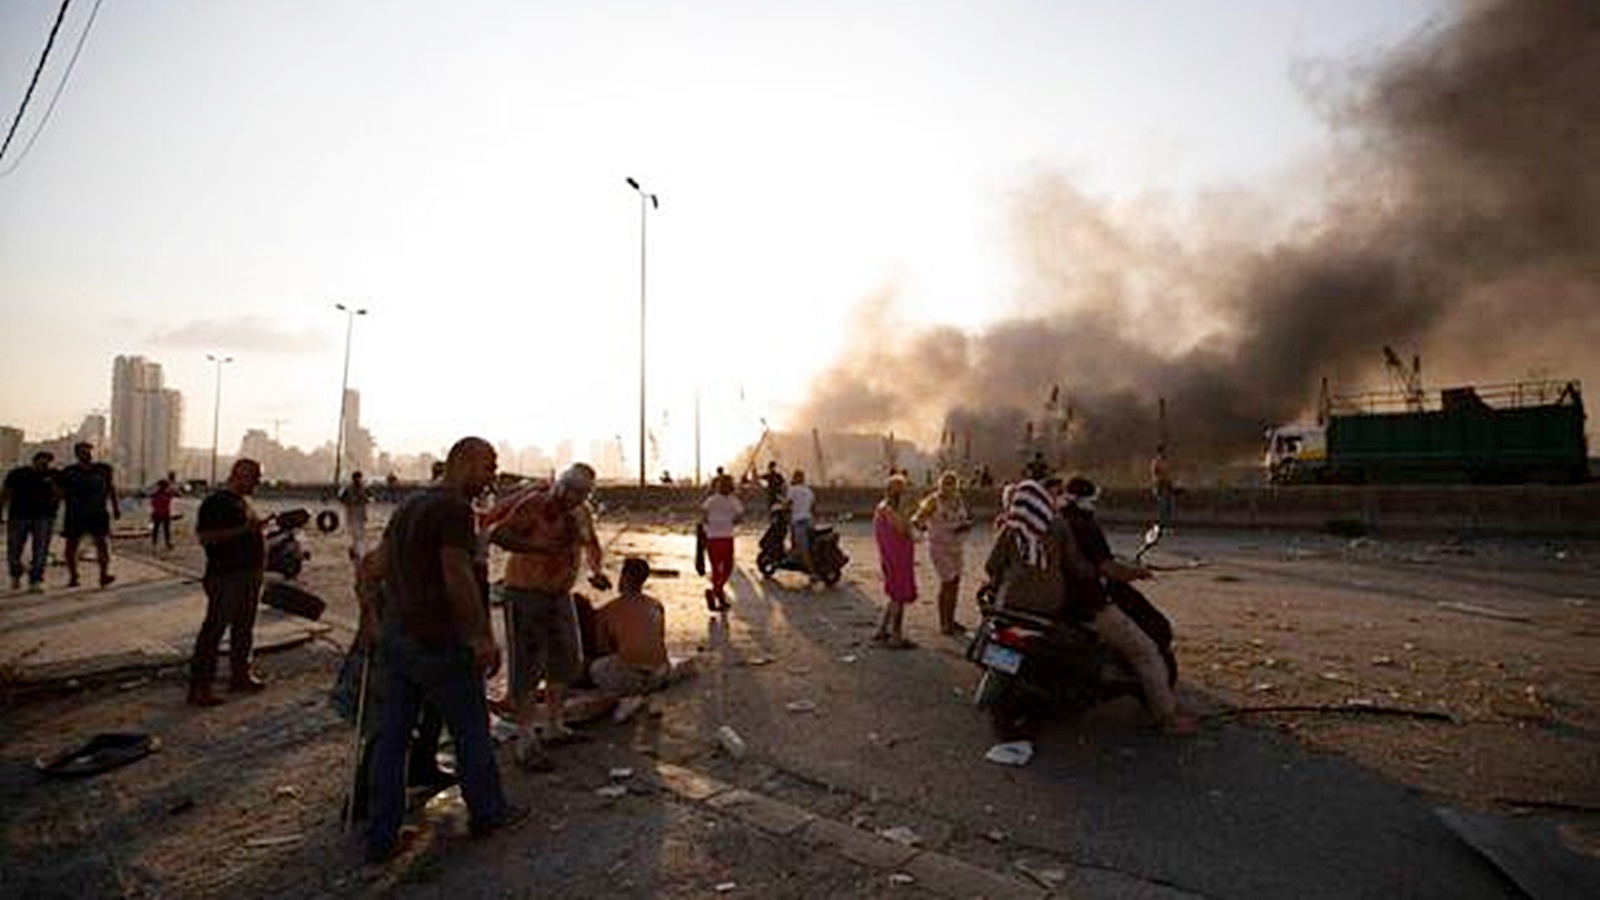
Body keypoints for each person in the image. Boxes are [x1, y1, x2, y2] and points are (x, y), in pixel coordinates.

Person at [367, 437, 524, 863]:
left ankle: (381, 834)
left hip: (400, 638)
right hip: (440, 640)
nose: (492, 475)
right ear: (462, 461)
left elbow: (373, 567)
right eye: (487, 466)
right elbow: (456, 574)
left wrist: (374, 621)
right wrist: (480, 636)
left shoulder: (410, 506)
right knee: (471, 729)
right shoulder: (453, 509)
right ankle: (489, 812)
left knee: (393, 739)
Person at [486, 462, 606, 764]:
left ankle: (554, 723)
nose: (576, 498)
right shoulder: (534, 505)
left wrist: (596, 571)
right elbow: (499, 535)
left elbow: (590, 542)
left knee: (565, 658)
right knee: (527, 664)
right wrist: (536, 548)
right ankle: (525, 736)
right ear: (561, 485)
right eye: (573, 491)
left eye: (583, 493)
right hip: (525, 591)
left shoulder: (580, 512)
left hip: (559, 593)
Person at [1062, 475, 1196, 735]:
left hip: (1060, 601)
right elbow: (1108, 568)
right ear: (1087, 500)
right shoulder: (1084, 526)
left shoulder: (1056, 523)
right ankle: (1166, 718)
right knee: (1146, 653)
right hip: (1088, 603)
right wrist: (1136, 573)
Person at [188, 459, 271, 706]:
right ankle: (201, 686)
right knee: (214, 631)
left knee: (244, 629)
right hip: (226, 577)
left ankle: (240, 675)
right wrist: (246, 530)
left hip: (248, 575)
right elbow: (206, 537)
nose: (257, 483)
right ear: (239, 475)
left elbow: (249, 531)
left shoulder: (243, 502)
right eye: (254, 477)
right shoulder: (216, 502)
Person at [590, 557, 690, 722]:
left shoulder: (607, 610)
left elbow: (601, 650)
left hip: (632, 677)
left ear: (624, 578)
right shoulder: (656, 604)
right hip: (661, 674)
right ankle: (646, 695)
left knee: (596, 668)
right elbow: (658, 640)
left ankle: (630, 697)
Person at [912, 470, 973, 636]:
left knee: (955, 583)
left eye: (952, 484)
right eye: (946, 484)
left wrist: (964, 526)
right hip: (939, 547)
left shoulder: (958, 500)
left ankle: (951, 619)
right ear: (941, 484)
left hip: (956, 546)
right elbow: (917, 520)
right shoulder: (933, 501)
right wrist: (927, 531)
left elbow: (963, 519)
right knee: (947, 582)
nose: (949, 487)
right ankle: (943, 623)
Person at [57, 441, 120, 588]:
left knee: (102, 544)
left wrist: (116, 507)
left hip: (98, 512)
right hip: (75, 513)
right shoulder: (69, 471)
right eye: (83, 452)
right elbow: (60, 492)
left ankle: (103, 575)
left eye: (89, 451)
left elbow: (111, 488)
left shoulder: (103, 469)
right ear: (77, 454)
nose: (87, 454)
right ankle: (74, 576)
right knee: (71, 546)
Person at [872, 474, 918, 649]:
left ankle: (883, 629)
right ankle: (896, 636)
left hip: (895, 557)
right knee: (899, 595)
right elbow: (904, 528)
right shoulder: (888, 510)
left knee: (895, 594)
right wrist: (909, 511)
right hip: (897, 559)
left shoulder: (883, 508)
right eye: (904, 490)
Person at [3, 451, 59, 592]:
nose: (44, 464)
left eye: (48, 462)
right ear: (35, 460)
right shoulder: (18, 474)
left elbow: (60, 495)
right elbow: (6, 493)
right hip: (19, 516)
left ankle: (36, 579)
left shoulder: (53, 475)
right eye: (42, 461)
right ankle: (16, 573)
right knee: (14, 549)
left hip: (44, 517)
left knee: (40, 550)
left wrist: (52, 485)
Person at [698, 474, 743, 611]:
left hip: (712, 538)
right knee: (727, 568)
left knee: (716, 569)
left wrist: (710, 526)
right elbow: (739, 517)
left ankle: (718, 595)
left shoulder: (711, 500)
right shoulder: (734, 501)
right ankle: (715, 591)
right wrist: (730, 522)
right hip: (726, 537)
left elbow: (703, 516)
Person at [785, 469, 816, 579]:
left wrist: (784, 508)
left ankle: (812, 572)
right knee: (802, 544)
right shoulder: (808, 491)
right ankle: (796, 560)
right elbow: (813, 507)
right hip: (809, 521)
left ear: (796, 478)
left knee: (803, 549)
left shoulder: (792, 489)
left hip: (799, 521)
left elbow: (788, 503)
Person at [340, 471, 371, 561]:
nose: (358, 480)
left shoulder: (364, 488)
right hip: (352, 512)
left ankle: (355, 551)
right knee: (356, 534)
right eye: (357, 478)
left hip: (360, 512)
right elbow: (342, 499)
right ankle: (357, 552)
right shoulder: (348, 488)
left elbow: (369, 498)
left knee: (360, 533)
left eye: (359, 478)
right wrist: (350, 503)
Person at [149, 478, 177, 554]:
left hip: (158, 514)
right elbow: (173, 494)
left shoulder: (156, 495)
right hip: (164, 514)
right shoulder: (166, 495)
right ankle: (166, 543)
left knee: (156, 529)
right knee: (165, 530)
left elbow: (153, 503)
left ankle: (155, 544)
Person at [1150, 445, 1175, 528]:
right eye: (1162, 452)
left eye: (1164, 452)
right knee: (1162, 506)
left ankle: (1167, 524)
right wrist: (1157, 486)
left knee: (1169, 506)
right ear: (1158, 453)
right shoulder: (1156, 462)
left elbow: (1168, 474)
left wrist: (1170, 484)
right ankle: (1161, 524)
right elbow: (1155, 474)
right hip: (1160, 486)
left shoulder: (1166, 462)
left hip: (1166, 485)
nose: (1164, 453)